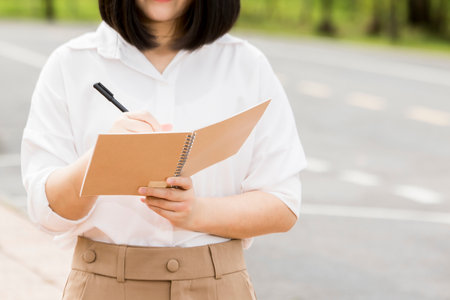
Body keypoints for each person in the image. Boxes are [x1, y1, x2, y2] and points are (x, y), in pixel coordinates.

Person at [21, 0, 307, 299]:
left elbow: (282, 204)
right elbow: (46, 211)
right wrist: (101, 159)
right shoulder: (72, 63)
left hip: (218, 286)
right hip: (103, 285)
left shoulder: (246, 65)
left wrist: (195, 212)